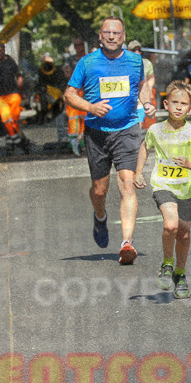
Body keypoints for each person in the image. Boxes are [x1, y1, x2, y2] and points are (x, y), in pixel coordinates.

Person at [64, 17, 155, 264]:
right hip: (97, 132)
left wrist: (146, 102)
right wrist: (91, 107)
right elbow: (69, 95)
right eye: (107, 32)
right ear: (101, 36)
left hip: (127, 129)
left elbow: (141, 85)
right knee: (99, 189)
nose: (112, 36)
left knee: (127, 182)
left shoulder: (136, 61)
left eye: (116, 32)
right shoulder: (88, 62)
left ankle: (127, 242)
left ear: (124, 36)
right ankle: (100, 216)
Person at [134, 81, 191, 299]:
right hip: (163, 185)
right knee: (171, 225)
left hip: (187, 188)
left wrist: (189, 164)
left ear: (190, 108)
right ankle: (167, 264)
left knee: (183, 234)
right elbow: (145, 148)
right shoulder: (155, 130)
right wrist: (138, 172)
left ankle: (181, 274)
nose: (178, 107)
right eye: (174, 102)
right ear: (165, 104)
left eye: (183, 104)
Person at [0, 43, 29, 154]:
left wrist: (21, 91)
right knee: (6, 120)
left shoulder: (10, 62)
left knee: (9, 121)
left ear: (4, 50)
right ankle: (17, 142)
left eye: (1, 50)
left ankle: (10, 143)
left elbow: (18, 76)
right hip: (0, 96)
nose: (0, 53)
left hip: (12, 94)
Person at [63, 38, 88, 155]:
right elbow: (67, 73)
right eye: (76, 45)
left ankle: (83, 142)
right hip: (74, 91)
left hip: (86, 92)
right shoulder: (70, 60)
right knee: (73, 118)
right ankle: (74, 142)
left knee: (87, 117)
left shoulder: (88, 58)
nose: (78, 47)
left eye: (80, 44)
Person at [128, 40, 156, 130]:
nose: (137, 52)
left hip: (142, 97)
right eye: (134, 50)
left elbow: (151, 78)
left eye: (139, 50)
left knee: (139, 123)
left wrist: (149, 89)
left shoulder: (146, 63)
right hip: (129, 98)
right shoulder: (124, 64)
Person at [35, 53, 67, 125]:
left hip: (56, 92)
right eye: (46, 63)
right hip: (46, 92)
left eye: (50, 63)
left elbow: (62, 82)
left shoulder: (58, 71)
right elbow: (39, 83)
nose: (48, 65)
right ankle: (43, 117)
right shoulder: (41, 71)